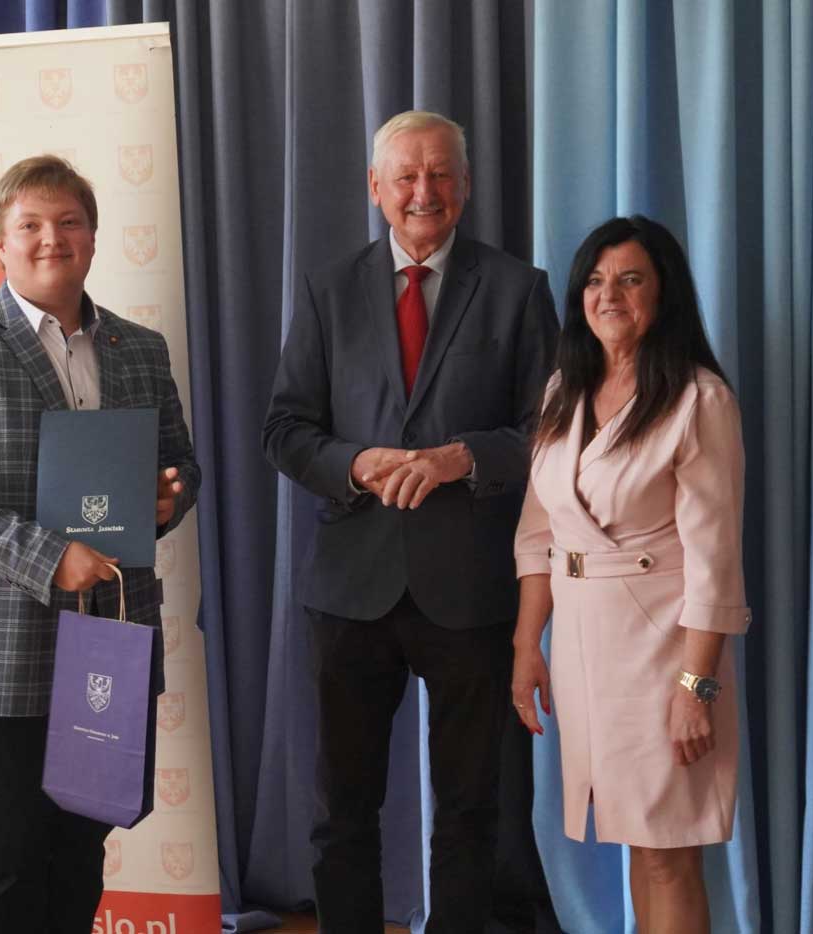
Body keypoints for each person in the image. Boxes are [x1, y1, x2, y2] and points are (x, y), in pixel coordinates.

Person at [262, 110, 559, 933]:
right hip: (350, 588)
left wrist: (462, 458)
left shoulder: (518, 289)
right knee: (342, 810)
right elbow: (285, 430)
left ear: (465, 186)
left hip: (470, 588)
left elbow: (552, 432)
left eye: (439, 174)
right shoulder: (328, 291)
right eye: (405, 176)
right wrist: (357, 464)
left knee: (470, 811)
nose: (423, 191)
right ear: (375, 188)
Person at [0, 155, 198, 933]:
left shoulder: (141, 348)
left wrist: (168, 497)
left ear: (93, 237)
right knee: (3, 865)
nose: (51, 239)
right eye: (29, 224)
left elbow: (181, 463)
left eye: (69, 222)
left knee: (77, 857)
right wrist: (48, 557)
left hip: (109, 644)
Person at [511, 215, 751, 933]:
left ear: (663, 292)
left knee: (667, 852)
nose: (608, 294)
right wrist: (527, 646)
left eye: (630, 279)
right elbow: (539, 532)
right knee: (635, 843)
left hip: (664, 653)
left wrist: (695, 689)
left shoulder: (699, 400)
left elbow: (716, 562)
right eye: (594, 280)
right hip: (582, 650)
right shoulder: (565, 391)